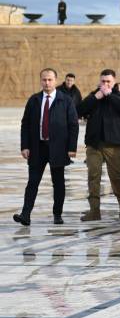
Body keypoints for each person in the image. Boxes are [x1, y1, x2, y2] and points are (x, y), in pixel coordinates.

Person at [14, 68, 79, 226]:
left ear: (56, 80)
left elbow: (73, 125)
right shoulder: (34, 100)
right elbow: (26, 124)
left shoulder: (65, 100)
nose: (47, 82)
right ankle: (25, 214)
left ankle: (57, 214)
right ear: (40, 81)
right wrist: (25, 146)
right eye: (44, 79)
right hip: (38, 147)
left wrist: (72, 148)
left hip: (58, 148)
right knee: (33, 182)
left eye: (50, 79)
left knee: (58, 183)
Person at [77, 69, 120, 221]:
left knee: (115, 177)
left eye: (108, 81)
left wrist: (110, 95)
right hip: (94, 144)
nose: (105, 84)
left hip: (114, 145)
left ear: (114, 82)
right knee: (93, 176)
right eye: (103, 81)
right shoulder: (94, 96)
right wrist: (95, 98)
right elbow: (79, 110)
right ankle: (94, 211)